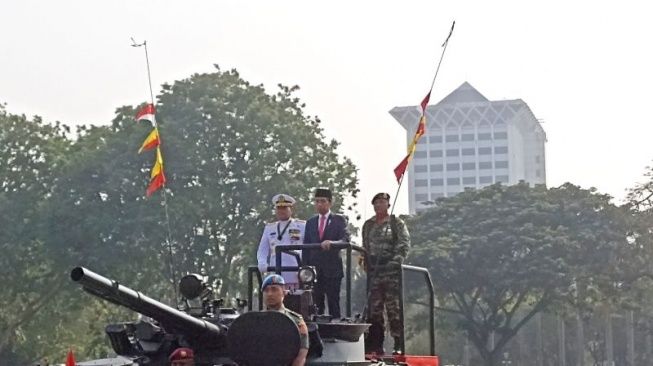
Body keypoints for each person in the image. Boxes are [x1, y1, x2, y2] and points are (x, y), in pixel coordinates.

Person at [361, 192, 410, 355]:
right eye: (376, 203)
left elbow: (403, 244)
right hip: (374, 270)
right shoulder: (368, 225)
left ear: (388, 205)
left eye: (382, 202)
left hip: (390, 271)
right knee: (374, 310)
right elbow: (365, 245)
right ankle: (376, 344)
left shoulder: (396, 223)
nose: (379, 205)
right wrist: (366, 262)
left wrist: (395, 261)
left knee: (393, 308)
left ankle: (398, 343)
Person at [303, 188, 351, 319]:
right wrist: (304, 269)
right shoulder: (311, 223)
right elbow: (306, 246)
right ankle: (317, 333)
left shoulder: (339, 220)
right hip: (314, 270)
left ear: (330, 203)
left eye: (323, 201)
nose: (319, 204)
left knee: (333, 302)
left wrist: (333, 243)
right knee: (315, 304)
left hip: (332, 269)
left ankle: (335, 330)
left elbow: (345, 239)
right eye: (317, 201)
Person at [257, 194, 306, 289]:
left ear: (291, 209)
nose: (281, 211)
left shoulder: (302, 226)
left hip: (296, 274)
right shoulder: (269, 228)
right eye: (278, 208)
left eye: (284, 208)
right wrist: (262, 262)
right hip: (276, 274)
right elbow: (262, 250)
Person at [261, 274, 309, 366]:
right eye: (266, 291)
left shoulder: (296, 320)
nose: (270, 294)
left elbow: (301, 355)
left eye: (274, 290)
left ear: (284, 292)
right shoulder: (256, 320)